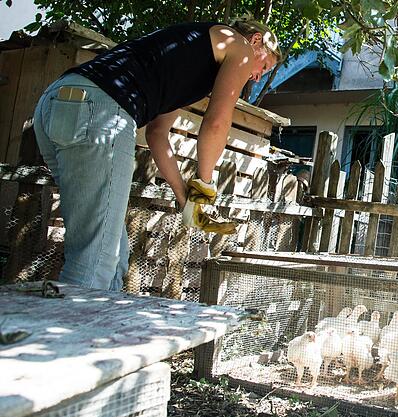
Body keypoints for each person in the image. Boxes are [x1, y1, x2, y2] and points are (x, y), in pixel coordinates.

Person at [32, 18, 281, 291]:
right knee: (95, 262)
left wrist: (186, 198)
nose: (258, 76)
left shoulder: (193, 58)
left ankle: (99, 327)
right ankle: (71, 331)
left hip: (54, 104)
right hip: (100, 111)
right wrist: (205, 186)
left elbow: (157, 134)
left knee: (113, 255)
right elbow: (217, 123)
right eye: (265, 65)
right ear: (256, 40)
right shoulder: (239, 45)